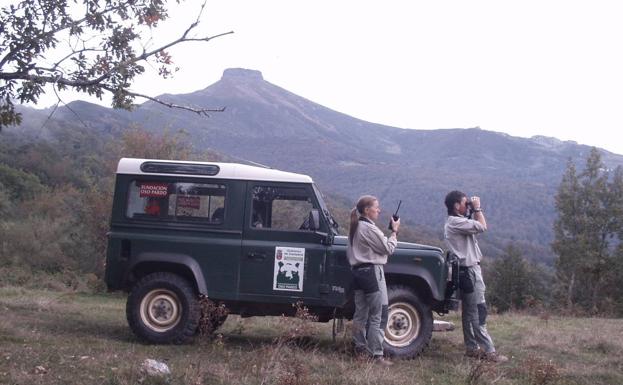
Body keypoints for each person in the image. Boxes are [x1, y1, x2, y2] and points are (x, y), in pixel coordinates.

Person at [443, 190, 508, 363]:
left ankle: (471, 348)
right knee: (478, 311)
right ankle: (489, 351)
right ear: (456, 206)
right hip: (469, 271)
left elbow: (472, 224)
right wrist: (478, 209)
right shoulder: (456, 222)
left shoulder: (457, 221)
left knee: (469, 311)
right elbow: (482, 226)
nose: (468, 205)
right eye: (465, 203)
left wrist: (470, 211)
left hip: (465, 271)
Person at [347, 195, 400, 365]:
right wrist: (394, 232)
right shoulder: (369, 228)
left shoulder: (355, 226)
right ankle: (376, 354)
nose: (379, 210)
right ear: (367, 210)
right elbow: (388, 248)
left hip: (357, 273)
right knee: (379, 314)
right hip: (372, 273)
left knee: (360, 314)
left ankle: (359, 349)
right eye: (376, 207)